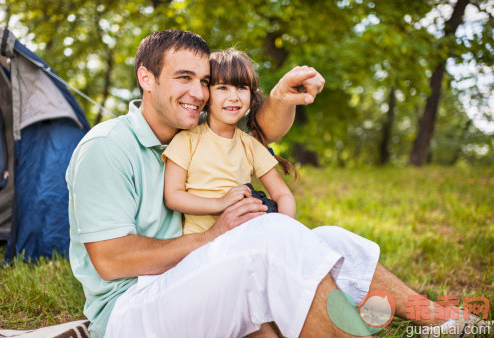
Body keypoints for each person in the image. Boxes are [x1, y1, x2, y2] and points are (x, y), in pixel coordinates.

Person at [66, 30, 487, 338]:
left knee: (331, 240)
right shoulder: (107, 148)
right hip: (131, 312)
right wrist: (215, 234)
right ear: (146, 79)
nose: (197, 92)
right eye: (183, 78)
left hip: (188, 277)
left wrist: (283, 97)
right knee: (269, 237)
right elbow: (112, 260)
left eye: (203, 81)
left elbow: (256, 132)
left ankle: (438, 318)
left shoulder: (186, 131)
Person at [163, 48, 299, 236]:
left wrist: (284, 229)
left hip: (246, 238)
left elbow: (282, 194)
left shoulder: (249, 145)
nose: (234, 96)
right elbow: (172, 196)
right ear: (206, 94)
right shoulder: (186, 140)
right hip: (200, 245)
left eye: (242, 88)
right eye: (222, 88)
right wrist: (219, 203)